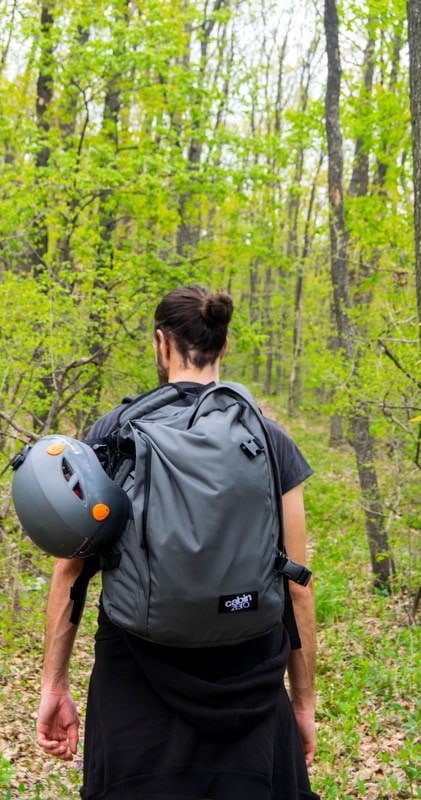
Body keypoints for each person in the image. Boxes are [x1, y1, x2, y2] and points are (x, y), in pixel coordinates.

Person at [36, 285, 318, 800]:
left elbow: (70, 570)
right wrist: (302, 704)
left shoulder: (114, 431)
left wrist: (54, 685)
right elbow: (297, 586)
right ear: (224, 349)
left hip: (134, 693)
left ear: (161, 345)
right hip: (250, 694)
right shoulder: (270, 440)